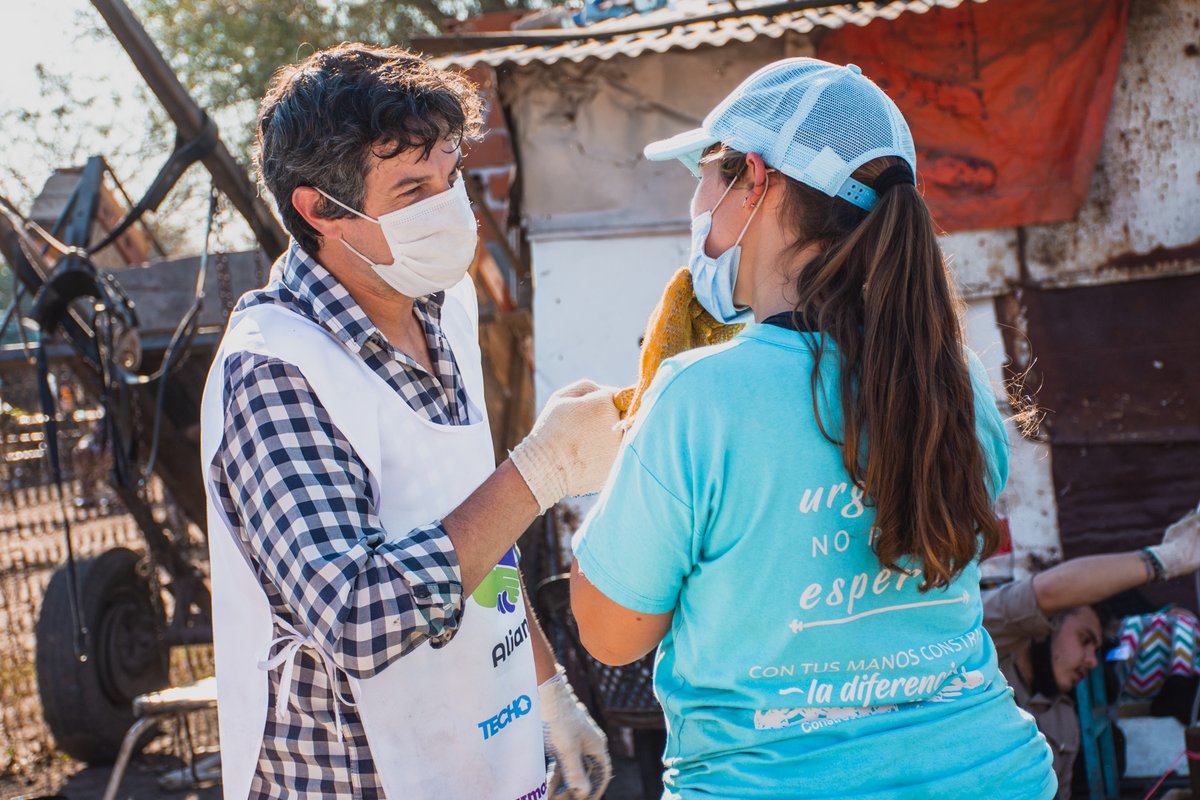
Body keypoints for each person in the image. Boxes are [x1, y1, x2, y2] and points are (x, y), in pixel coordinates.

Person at [569, 58, 1057, 798]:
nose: (697, 201)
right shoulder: (956, 382)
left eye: (705, 172)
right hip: (995, 775)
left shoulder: (699, 397)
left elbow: (613, 635)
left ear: (753, 180)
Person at [200, 44, 620, 800]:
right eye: (412, 188)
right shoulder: (274, 370)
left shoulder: (445, 310)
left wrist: (549, 688)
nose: (447, 205)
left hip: (483, 750)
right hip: (352, 777)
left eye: (451, 176)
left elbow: (473, 532)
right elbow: (359, 617)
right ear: (318, 208)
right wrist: (539, 475)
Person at [984, 505, 1200, 799]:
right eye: (1084, 640)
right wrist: (1169, 557)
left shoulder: (1064, 723)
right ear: (1047, 624)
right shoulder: (986, 647)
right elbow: (1047, 593)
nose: (1092, 660)